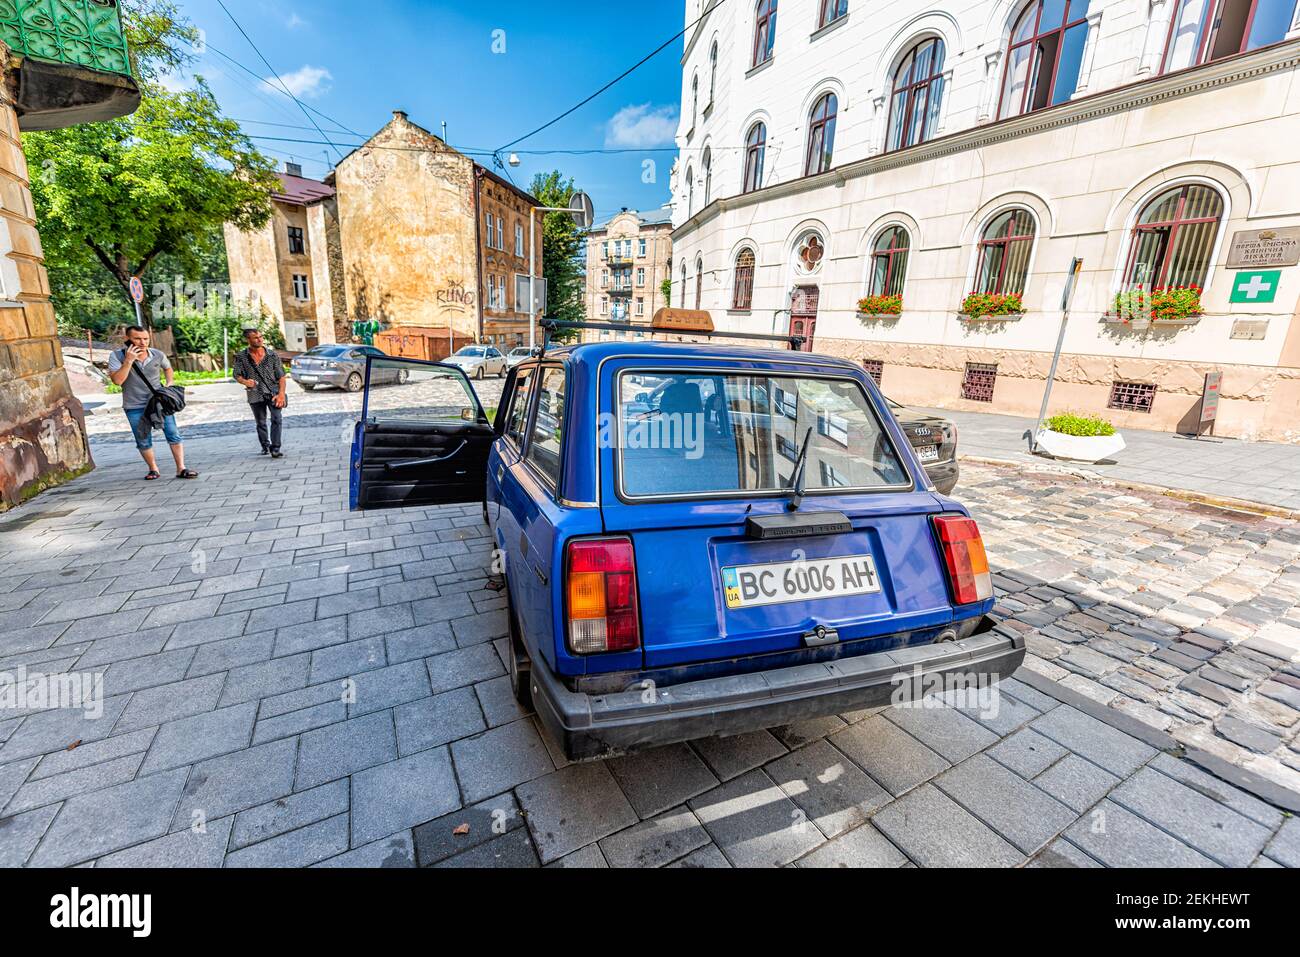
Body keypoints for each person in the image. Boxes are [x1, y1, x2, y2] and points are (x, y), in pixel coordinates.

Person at [107, 326, 198, 481]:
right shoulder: (116, 356)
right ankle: (153, 469)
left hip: (158, 403)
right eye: (137, 339)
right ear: (127, 339)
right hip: (134, 405)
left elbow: (168, 368)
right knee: (142, 438)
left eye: (146, 339)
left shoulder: (157, 354)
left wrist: (169, 384)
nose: (142, 342)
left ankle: (181, 468)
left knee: (173, 433)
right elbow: (117, 381)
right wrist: (128, 361)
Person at [233, 327, 288, 458]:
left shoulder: (272, 355)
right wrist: (245, 382)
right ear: (248, 339)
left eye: (261, 336)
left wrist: (281, 394)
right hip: (255, 393)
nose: (260, 339)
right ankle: (265, 445)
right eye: (256, 337)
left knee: (277, 419)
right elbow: (236, 375)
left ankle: (275, 448)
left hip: (273, 392)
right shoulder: (241, 356)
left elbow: (281, 376)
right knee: (261, 422)